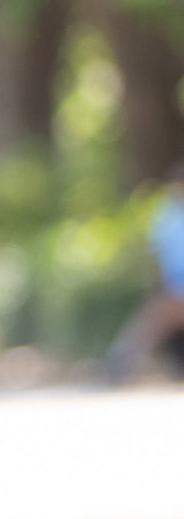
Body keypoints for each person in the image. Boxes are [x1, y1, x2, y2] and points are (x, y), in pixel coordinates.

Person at [105, 161, 184, 381]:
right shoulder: (168, 215)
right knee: (155, 312)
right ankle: (121, 362)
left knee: (160, 312)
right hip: (174, 291)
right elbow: (157, 257)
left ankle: (123, 359)